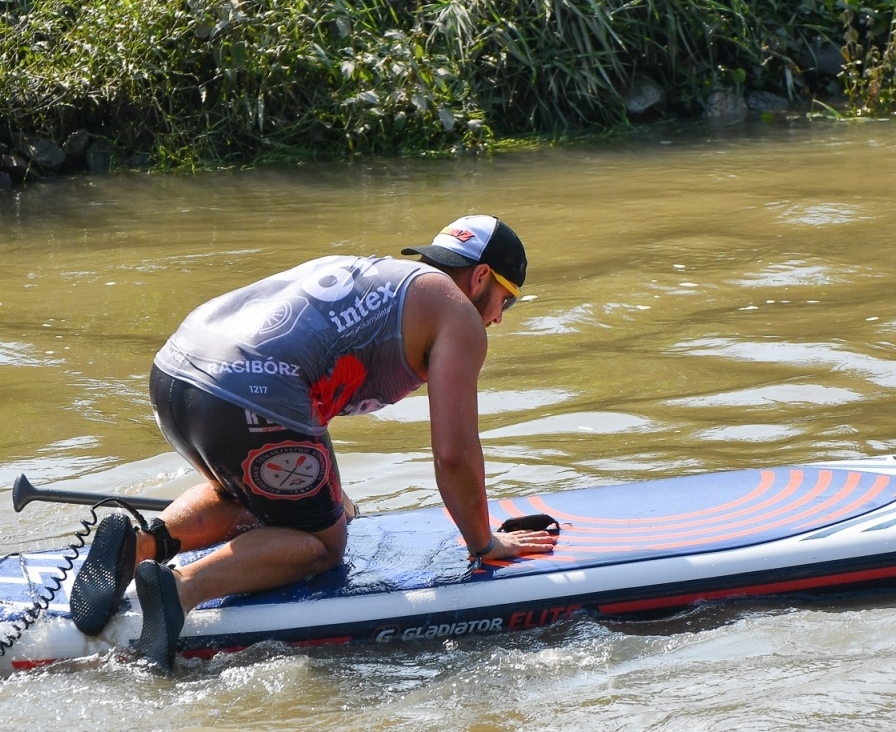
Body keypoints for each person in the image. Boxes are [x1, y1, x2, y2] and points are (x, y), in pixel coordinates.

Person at [67, 214, 558, 668]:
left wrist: (331, 496)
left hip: (175, 373)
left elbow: (304, 388)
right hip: (245, 394)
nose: (498, 318)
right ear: (480, 279)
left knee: (264, 495)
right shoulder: (458, 316)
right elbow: (454, 455)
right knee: (325, 542)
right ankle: (180, 589)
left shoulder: (382, 278)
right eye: (506, 300)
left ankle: (140, 546)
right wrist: (484, 542)